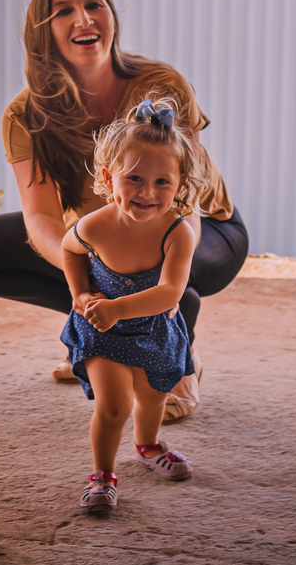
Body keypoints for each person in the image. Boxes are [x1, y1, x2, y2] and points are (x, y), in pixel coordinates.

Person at [0, 0, 248, 422]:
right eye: (63, 11)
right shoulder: (26, 115)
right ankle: (103, 334)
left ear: (111, 17)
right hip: (106, 238)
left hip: (202, 229)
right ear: (44, 34)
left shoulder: (161, 86)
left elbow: (186, 202)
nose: (83, 19)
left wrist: (157, 273)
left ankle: (175, 348)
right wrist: (85, 285)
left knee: (170, 290)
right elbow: (42, 220)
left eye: (93, 4)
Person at [63, 95, 202, 512]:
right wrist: (81, 294)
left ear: (179, 185)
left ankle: (147, 445)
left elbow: (170, 293)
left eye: (163, 182)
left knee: (154, 393)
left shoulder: (178, 233)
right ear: (109, 176)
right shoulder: (94, 226)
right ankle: (102, 474)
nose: (148, 192)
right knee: (115, 404)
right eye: (134, 179)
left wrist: (119, 308)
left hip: (154, 327)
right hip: (102, 329)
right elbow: (70, 251)